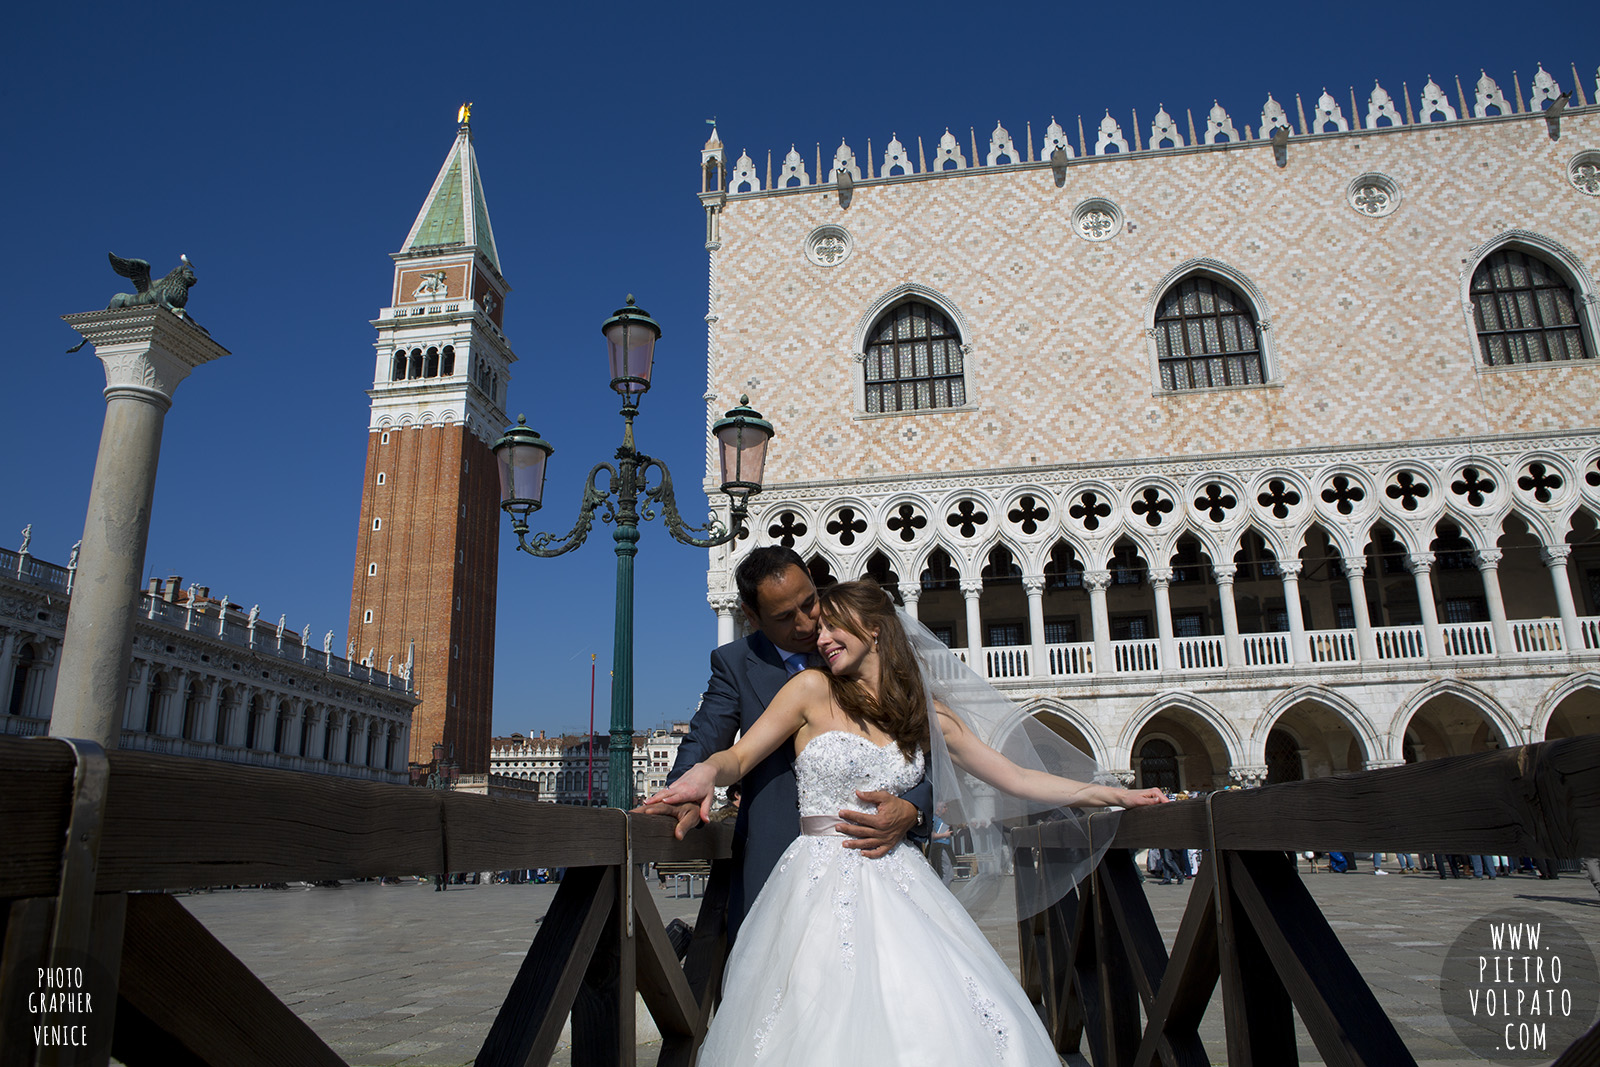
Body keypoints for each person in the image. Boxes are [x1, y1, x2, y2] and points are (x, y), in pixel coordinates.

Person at [644, 579, 1166, 1064]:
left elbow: (1016, 778)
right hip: (813, 884)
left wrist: (1109, 793)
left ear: (874, 628)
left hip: (899, 878)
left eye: (832, 625)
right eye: (819, 628)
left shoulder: (927, 716)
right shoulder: (809, 691)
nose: (820, 637)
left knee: (922, 1007)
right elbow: (739, 757)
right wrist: (703, 775)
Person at [635, 548, 930, 941]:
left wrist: (914, 809)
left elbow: (922, 747)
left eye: (809, 602)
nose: (807, 623)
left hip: (877, 865)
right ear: (751, 617)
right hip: (773, 863)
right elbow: (706, 736)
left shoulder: (855, 646)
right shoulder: (735, 663)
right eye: (784, 617)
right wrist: (681, 793)